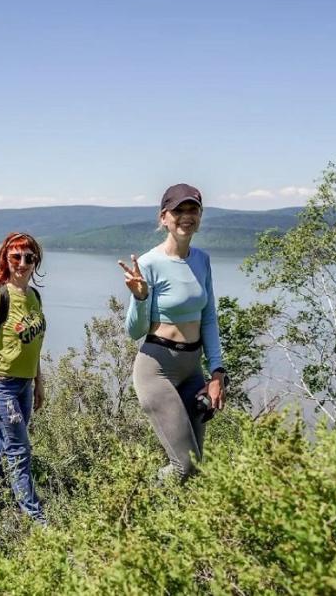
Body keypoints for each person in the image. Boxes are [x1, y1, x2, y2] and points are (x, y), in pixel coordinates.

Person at [121, 183, 226, 482]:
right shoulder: (148, 263)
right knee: (184, 465)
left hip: (192, 370)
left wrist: (217, 373)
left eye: (193, 209)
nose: (186, 216)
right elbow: (134, 331)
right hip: (157, 368)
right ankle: (136, 499)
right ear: (164, 217)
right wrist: (141, 297)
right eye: (178, 210)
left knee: (195, 466)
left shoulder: (201, 260)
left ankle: (169, 510)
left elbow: (208, 318)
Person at [0, 232, 47, 523]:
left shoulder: (34, 297)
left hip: (25, 385)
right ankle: (36, 518)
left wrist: (38, 381)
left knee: (4, 448)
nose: (22, 263)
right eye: (16, 257)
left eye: (29, 257)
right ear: (6, 258)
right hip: (2, 384)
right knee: (19, 450)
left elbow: (35, 344)